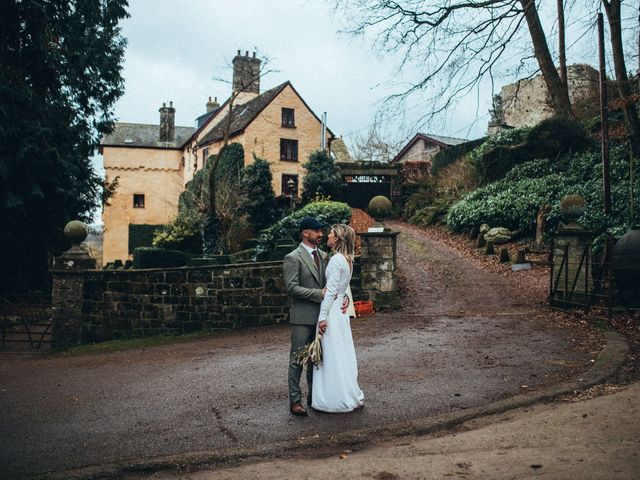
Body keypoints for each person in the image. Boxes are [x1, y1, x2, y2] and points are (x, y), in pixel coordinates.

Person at [283, 217, 349, 417]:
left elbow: (335, 282)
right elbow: (291, 288)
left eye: (322, 231)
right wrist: (317, 294)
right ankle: (295, 401)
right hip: (302, 318)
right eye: (316, 231)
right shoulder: (293, 257)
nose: (321, 234)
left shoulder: (324, 255)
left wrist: (344, 296)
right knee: (298, 360)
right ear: (305, 233)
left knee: (317, 360)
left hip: (323, 317)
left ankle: (314, 398)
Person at [312, 224, 365, 413]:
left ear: (338, 239)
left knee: (332, 354)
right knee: (341, 352)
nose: (328, 235)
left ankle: (334, 397)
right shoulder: (348, 261)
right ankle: (346, 391)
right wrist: (345, 298)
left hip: (333, 313)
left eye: (331, 234)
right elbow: (342, 289)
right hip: (341, 314)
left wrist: (322, 317)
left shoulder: (336, 260)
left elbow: (331, 291)